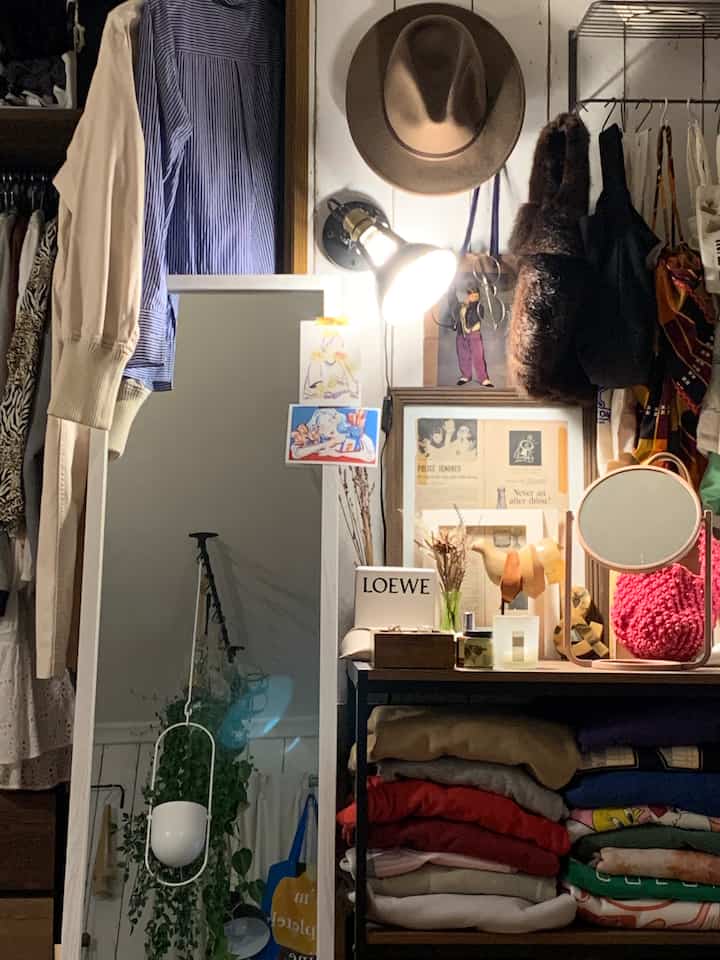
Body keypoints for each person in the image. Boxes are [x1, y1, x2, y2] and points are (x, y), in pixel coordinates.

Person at [455, 289, 493, 387]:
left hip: (474, 334)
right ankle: (466, 375)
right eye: (472, 296)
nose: (475, 298)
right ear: (467, 296)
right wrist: (462, 311)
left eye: (476, 296)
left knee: (478, 356)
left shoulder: (479, 307)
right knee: (463, 355)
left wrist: (470, 329)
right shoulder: (461, 306)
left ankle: (483, 378)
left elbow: (478, 321)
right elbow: (458, 318)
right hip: (461, 333)